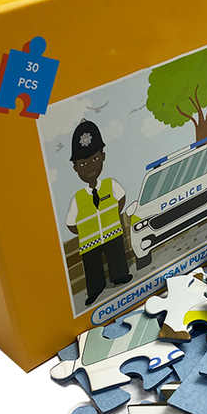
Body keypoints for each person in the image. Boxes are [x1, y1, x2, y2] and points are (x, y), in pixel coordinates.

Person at [65, 119, 132, 306]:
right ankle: (95, 290)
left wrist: (112, 217)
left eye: (94, 159)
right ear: (75, 167)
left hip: (113, 233)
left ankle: (120, 276)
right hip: (89, 243)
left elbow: (121, 198)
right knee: (92, 267)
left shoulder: (110, 184)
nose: (89, 167)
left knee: (117, 256)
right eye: (83, 164)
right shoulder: (78, 198)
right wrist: (86, 230)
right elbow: (71, 224)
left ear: (103, 156)